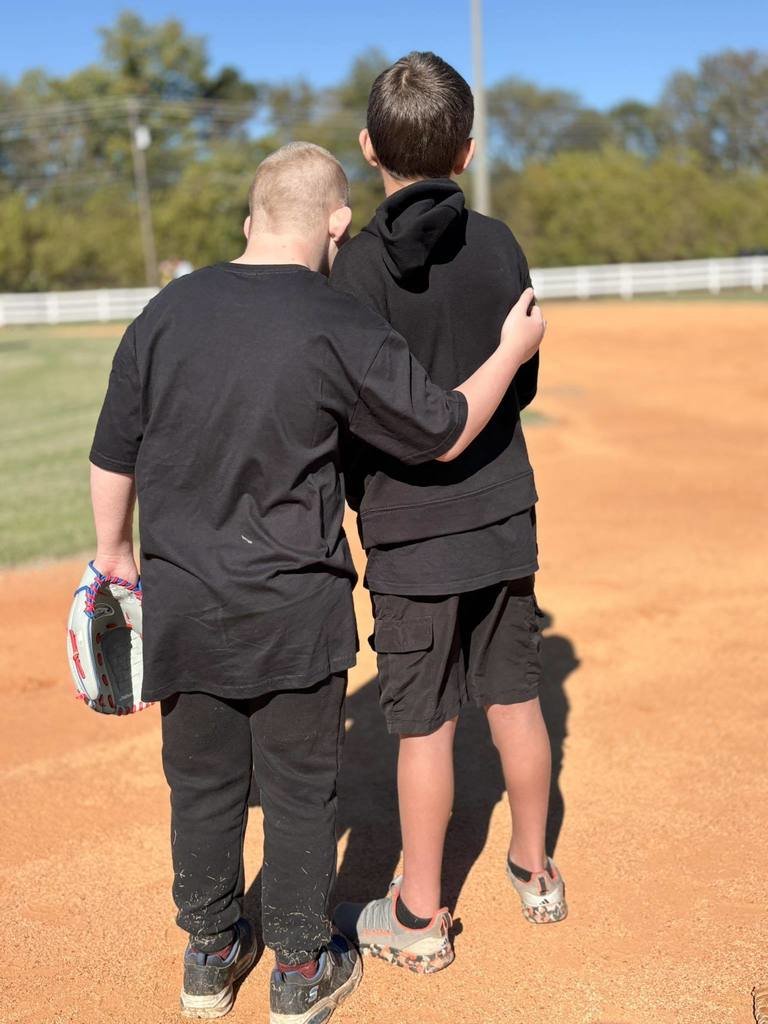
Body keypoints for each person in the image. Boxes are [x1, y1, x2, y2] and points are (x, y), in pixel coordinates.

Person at [87, 141, 545, 1023]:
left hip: (184, 599)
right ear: (337, 224)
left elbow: (114, 453)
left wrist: (113, 551)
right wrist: (513, 346)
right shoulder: (335, 319)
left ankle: (211, 957)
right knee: (300, 789)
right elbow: (444, 429)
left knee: (206, 783)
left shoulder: (165, 310)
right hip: (295, 605)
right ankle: (300, 972)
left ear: (249, 220)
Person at [330, 53, 567, 975]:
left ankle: (420, 917)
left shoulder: (349, 274)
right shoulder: (500, 243)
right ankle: (535, 869)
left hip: (408, 532)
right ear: (466, 152)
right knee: (517, 698)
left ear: (366, 150)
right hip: (505, 513)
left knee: (423, 725)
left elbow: (344, 411)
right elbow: (526, 375)